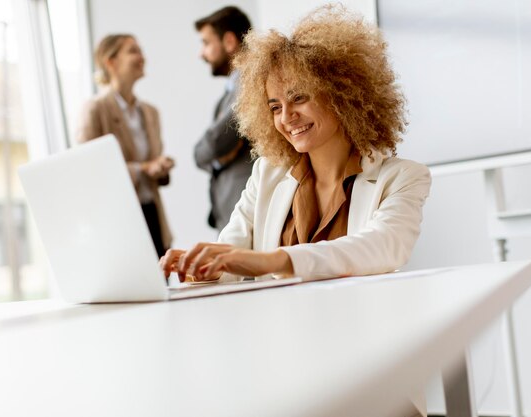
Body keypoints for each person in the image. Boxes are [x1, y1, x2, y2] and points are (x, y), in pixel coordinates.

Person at [160, 5, 431, 282]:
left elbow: (381, 247)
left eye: (299, 98)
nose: (287, 117)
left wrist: (272, 260)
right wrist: (198, 267)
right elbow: (230, 257)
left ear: (341, 95)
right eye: (275, 107)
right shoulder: (267, 173)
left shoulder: (403, 177)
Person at [77, 34, 174, 258]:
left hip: (152, 215)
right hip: (117, 221)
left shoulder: (151, 112)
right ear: (110, 62)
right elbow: (88, 171)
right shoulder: (95, 110)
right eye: (133, 51)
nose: (142, 57)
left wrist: (161, 167)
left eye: (141, 50)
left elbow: (153, 163)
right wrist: (142, 169)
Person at [193, 6, 255, 232]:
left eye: (206, 43)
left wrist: (209, 156)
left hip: (244, 208)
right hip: (234, 208)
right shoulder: (233, 88)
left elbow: (212, 144)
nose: (201, 53)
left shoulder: (249, 83)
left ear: (229, 41)